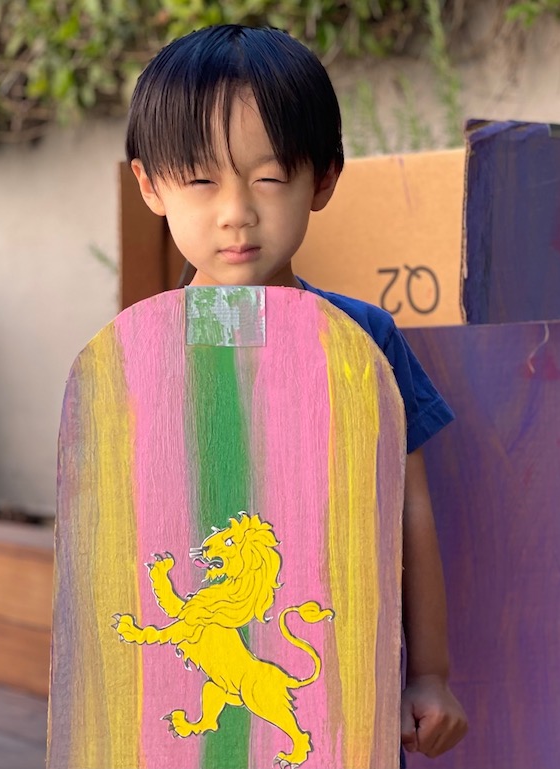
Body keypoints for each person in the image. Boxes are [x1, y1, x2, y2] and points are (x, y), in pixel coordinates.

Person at [126, 24, 468, 762]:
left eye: (270, 177)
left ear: (323, 179)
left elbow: (410, 506)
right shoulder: (132, 357)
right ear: (151, 185)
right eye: (199, 179)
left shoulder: (364, 337)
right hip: (179, 704)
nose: (236, 210)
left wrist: (431, 673)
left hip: (348, 692)